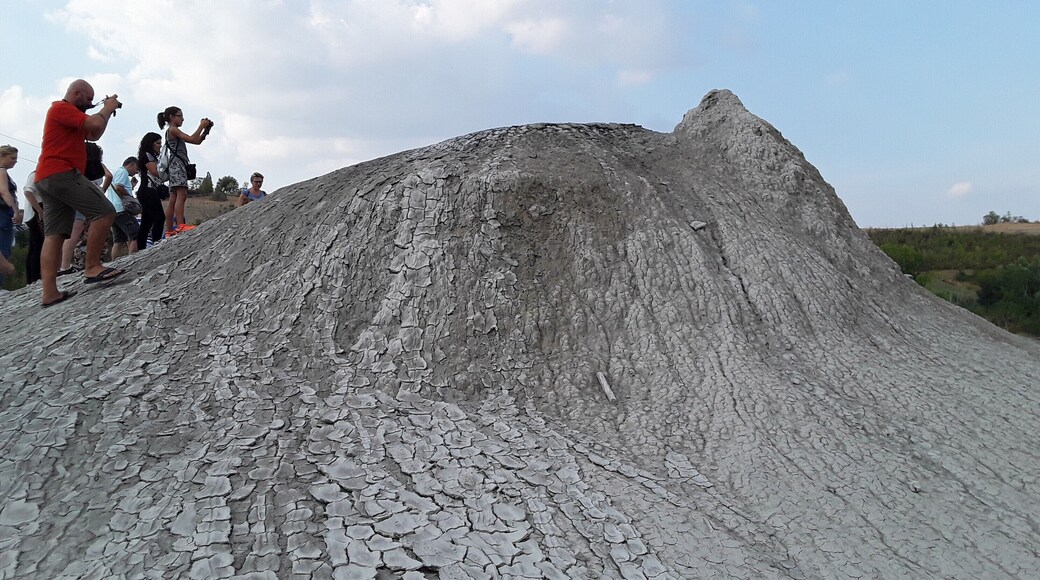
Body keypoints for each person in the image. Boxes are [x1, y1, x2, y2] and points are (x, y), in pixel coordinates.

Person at [34, 79, 124, 307]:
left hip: (46, 177)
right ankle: (92, 267)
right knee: (104, 212)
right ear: (76, 94)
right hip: (62, 172)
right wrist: (108, 107)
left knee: (54, 235)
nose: (91, 104)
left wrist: (105, 112)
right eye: (88, 100)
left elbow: (94, 134)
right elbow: (94, 124)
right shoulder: (60, 108)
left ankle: (49, 293)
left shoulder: (68, 116)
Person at [158, 106, 212, 235]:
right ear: (172, 117)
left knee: (173, 197)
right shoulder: (173, 130)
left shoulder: (170, 131)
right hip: (177, 166)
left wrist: (206, 130)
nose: (182, 119)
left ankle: (170, 230)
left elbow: (197, 141)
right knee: (181, 194)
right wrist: (201, 126)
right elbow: (193, 139)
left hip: (173, 166)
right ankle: (180, 225)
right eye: (180, 116)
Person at [59, 142, 110, 275]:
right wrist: (102, 190)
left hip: (76, 198)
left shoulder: (78, 164)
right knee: (88, 232)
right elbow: (109, 176)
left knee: (73, 234)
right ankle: (91, 262)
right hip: (91, 200)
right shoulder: (98, 165)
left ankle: (65, 265)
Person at [135, 132, 166, 249]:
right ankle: (156, 244)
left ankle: (142, 248)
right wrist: (167, 174)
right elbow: (154, 172)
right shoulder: (148, 156)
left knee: (146, 222)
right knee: (159, 218)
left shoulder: (150, 156)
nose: (160, 146)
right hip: (148, 190)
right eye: (158, 143)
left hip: (146, 191)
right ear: (151, 144)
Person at [106, 156, 140, 258]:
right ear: (131, 164)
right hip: (121, 209)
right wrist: (129, 197)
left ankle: (115, 262)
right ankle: (133, 259)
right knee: (136, 235)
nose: (136, 172)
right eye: (136, 169)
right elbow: (118, 187)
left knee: (118, 240)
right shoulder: (123, 172)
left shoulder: (116, 172)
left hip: (112, 209)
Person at [0, 145, 22, 288]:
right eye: (12, 158)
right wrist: (15, 211)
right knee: (3, 248)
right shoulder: (1, 171)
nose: (15, 161)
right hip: (2, 213)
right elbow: (4, 192)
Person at [22, 170, 45, 284]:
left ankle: (33, 277)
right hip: (34, 212)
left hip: (38, 209)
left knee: (36, 245)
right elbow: (27, 191)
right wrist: (39, 210)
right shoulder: (35, 174)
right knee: (37, 245)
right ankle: (34, 277)